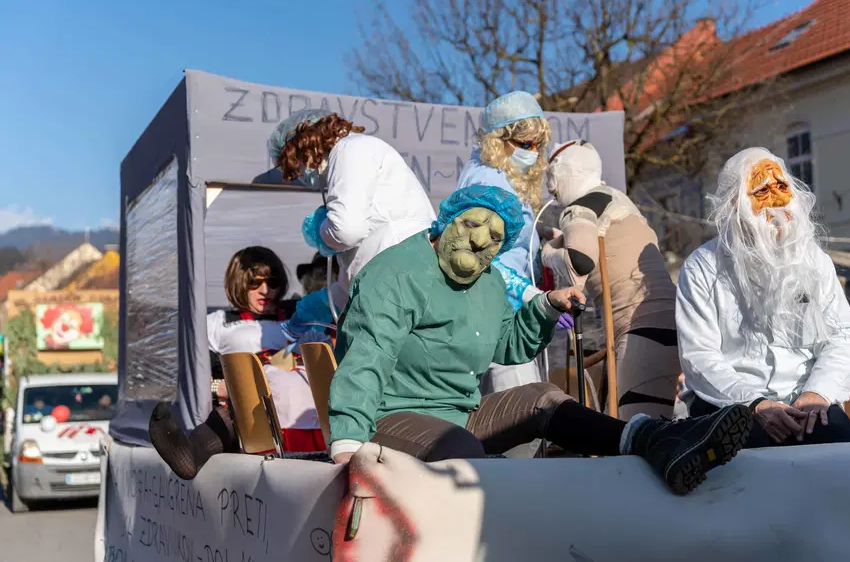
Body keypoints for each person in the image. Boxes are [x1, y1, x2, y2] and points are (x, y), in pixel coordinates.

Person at [327, 185, 753, 495]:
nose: (479, 240)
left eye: (494, 238)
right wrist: (347, 445)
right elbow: (367, 358)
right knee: (459, 448)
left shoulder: (488, 281)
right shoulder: (397, 273)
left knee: (544, 398)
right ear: (448, 220)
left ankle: (657, 442)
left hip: (460, 413)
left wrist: (546, 306)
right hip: (386, 418)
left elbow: (506, 346)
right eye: (472, 224)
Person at [677, 147, 850, 448]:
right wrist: (755, 404)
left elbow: (842, 335)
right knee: (747, 438)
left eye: (781, 187)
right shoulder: (702, 267)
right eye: (762, 190)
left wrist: (818, 393)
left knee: (833, 432)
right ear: (735, 204)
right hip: (732, 403)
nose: (776, 201)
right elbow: (699, 357)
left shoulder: (814, 261)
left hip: (805, 401)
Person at [149, 247, 327, 480]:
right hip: (252, 407)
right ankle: (189, 454)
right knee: (238, 411)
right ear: (239, 282)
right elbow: (192, 376)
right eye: (255, 283)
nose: (266, 290)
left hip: (307, 401)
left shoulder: (301, 314)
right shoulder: (217, 324)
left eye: (272, 282)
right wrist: (219, 388)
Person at [541, 140, 681, 420]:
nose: (551, 189)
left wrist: (547, 255)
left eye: (552, 178)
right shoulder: (618, 201)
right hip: (668, 324)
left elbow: (578, 262)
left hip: (639, 330)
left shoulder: (579, 209)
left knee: (632, 439)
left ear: (566, 172)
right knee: (645, 430)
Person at [269, 110, 436, 315]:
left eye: (297, 164)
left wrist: (322, 229)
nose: (301, 173)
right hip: (394, 284)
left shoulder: (349, 149)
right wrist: (326, 302)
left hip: (397, 284)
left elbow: (347, 230)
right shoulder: (358, 151)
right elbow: (360, 260)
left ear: (306, 143)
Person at [456, 91, 562, 394]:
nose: (532, 152)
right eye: (524, 144)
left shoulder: (501, 176)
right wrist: (535, 297)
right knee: (519, 417)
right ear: (497, 140)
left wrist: (539, 236)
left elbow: (508, 238)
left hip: (505, 316)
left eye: (537, 145)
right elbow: (483, 261)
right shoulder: (488, 184)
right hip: (499, 317)